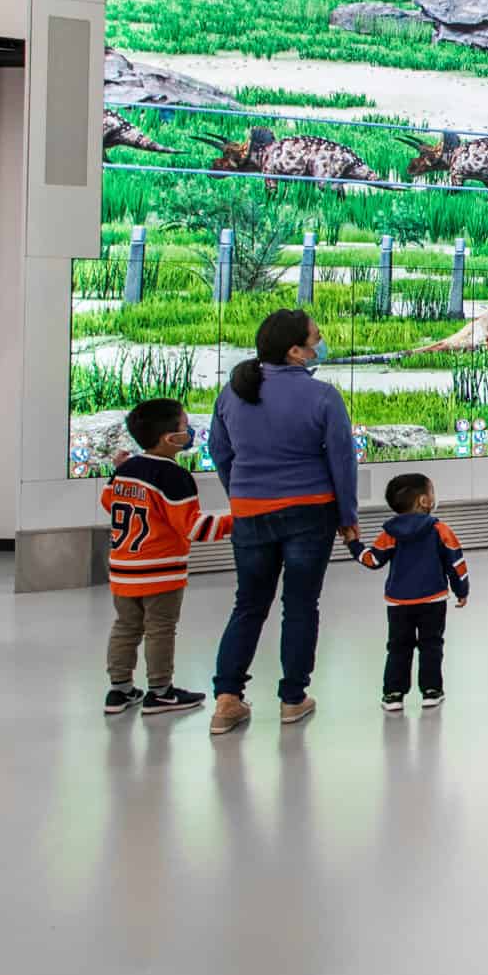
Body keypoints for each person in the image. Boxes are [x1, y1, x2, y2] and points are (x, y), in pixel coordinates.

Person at [205, 309, 362, 734]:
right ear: (295, 350)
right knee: (300, 606)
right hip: (310, 514)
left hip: (251, 514)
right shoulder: (323, 396)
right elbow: (342, 461)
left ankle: (227, 700)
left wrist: (241, 494)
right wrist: (347, 516)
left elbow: (220, 452)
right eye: (316, 336)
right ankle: (293, 698)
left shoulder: (232, 393)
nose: (321, 341)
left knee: (249, 604)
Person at [99, 397, 233, 717]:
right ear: (167, 438)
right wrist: (239, 517)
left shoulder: (126, 470)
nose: (189, 433)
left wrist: (115, 473)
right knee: (160, 629)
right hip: (160, 572)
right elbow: (195, 528)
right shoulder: (173, 476)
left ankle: (119, 690)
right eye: (185, 427)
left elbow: (108, 501)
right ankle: (160, 691)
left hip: (122, 569)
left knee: (125, 627)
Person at [355, 472, 470, 714]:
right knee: (431, 644)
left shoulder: (390, 534)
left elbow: (373, 559)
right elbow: (455, 562)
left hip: (398, 603)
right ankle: (431, 691)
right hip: (433, 600)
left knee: (398, 647)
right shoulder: (440, 530)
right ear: (423, 501)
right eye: (432, 493)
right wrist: (462, 590)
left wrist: (353, 543)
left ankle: (393, 694)